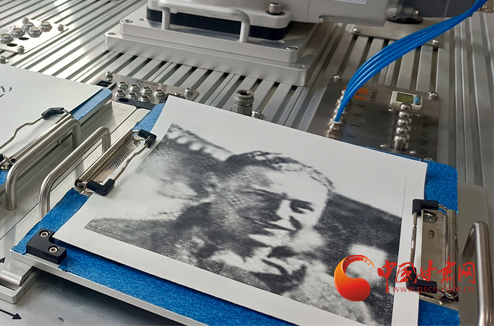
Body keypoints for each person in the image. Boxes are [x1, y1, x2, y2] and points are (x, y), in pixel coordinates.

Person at [86, 125, 374, 323]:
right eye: (261, 197)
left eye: (302, 208)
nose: (279, 214)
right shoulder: (119, 234)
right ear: (214, 186)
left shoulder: (340, 301)